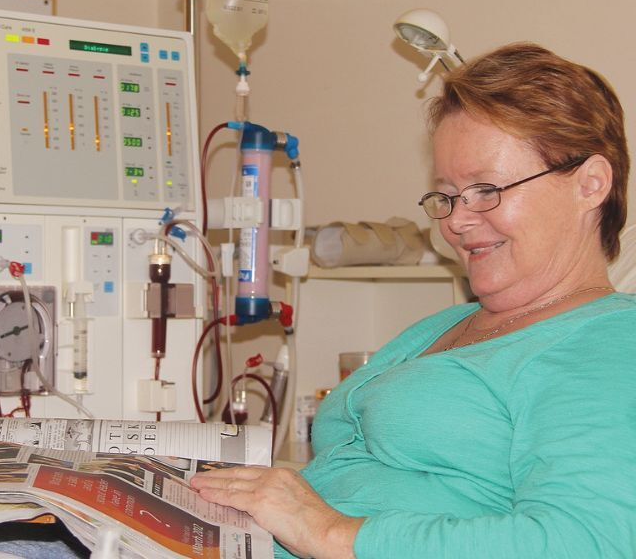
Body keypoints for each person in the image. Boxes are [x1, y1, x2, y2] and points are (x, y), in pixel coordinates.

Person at [191, 42, 636, 558]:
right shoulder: (444, 327)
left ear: (590, 184)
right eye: (445, 196)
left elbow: (588, 542)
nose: (456, 221)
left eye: (486, 189)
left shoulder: (609, 343)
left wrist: (329, 533)